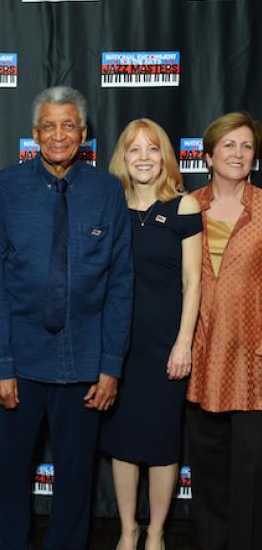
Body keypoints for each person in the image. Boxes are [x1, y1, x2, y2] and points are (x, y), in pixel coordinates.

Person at [0, 86, 133, 550]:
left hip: (85, 363)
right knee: (10, 473)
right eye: (49, 125)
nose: (59, 134)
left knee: (75, 476)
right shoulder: (5, 188)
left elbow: (121, 283)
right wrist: (0, 365)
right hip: (21, 362)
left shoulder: (108, 191)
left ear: (83, 133)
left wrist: (110, 366)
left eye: (69, 125)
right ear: (34, 133)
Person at [100, 119, 202, 550]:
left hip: (164, 344)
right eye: (134, 149)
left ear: (165, 156)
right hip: (118, 344)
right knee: (122, 440)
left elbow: (193, 282)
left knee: (162, 440)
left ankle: (157, 531)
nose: (144, 157)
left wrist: (183, 343)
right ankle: (128, 529)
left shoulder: (185, 207)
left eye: (153, 148)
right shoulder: (108, 207)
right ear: (123, 157)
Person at [185, 112, 262, 550]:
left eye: (247, 146)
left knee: (250, 471)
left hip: (253, 360)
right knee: (209, 467)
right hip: (200, 357)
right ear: (209, 155)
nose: (238, 154)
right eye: (229, 145)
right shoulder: (186, 207)